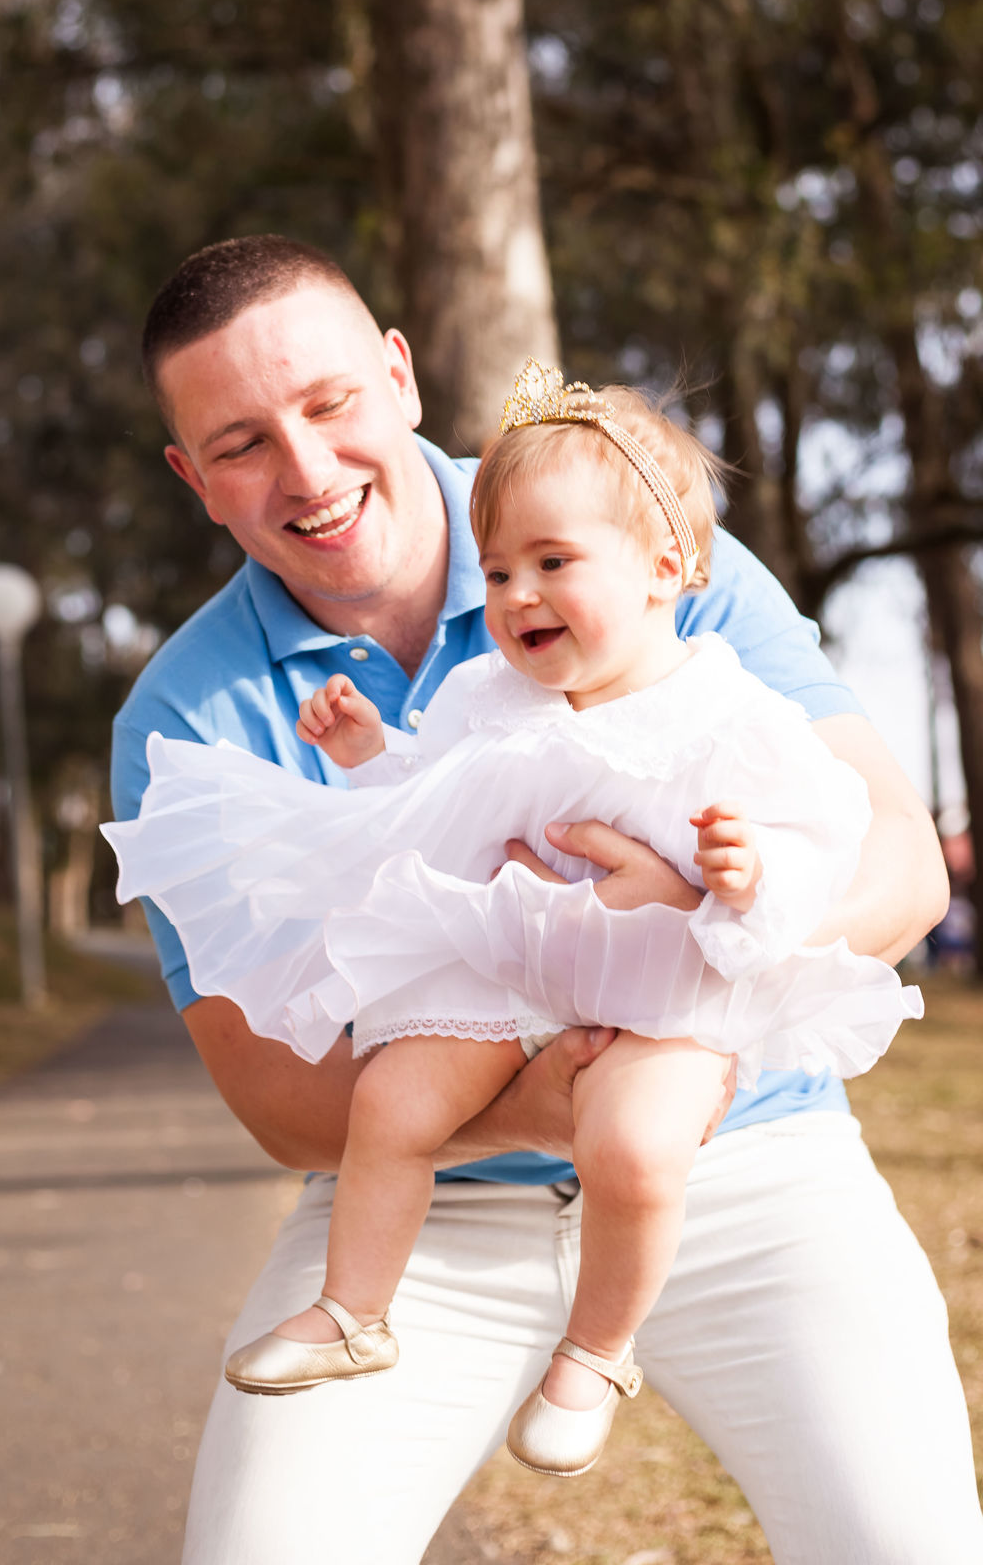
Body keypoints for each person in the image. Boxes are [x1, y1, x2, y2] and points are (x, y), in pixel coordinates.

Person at [111, 235, 982, 1563]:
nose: (304, 469)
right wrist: (547, 1088)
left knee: (910, 1544)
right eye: (240, 443)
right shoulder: (188, 718)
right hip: (433, 1208)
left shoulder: (630, 522)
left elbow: (901, 868)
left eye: (331, 403)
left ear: (399, 377)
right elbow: (285, 1109)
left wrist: (692, 950)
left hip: (745, 1156)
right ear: (192, 479)